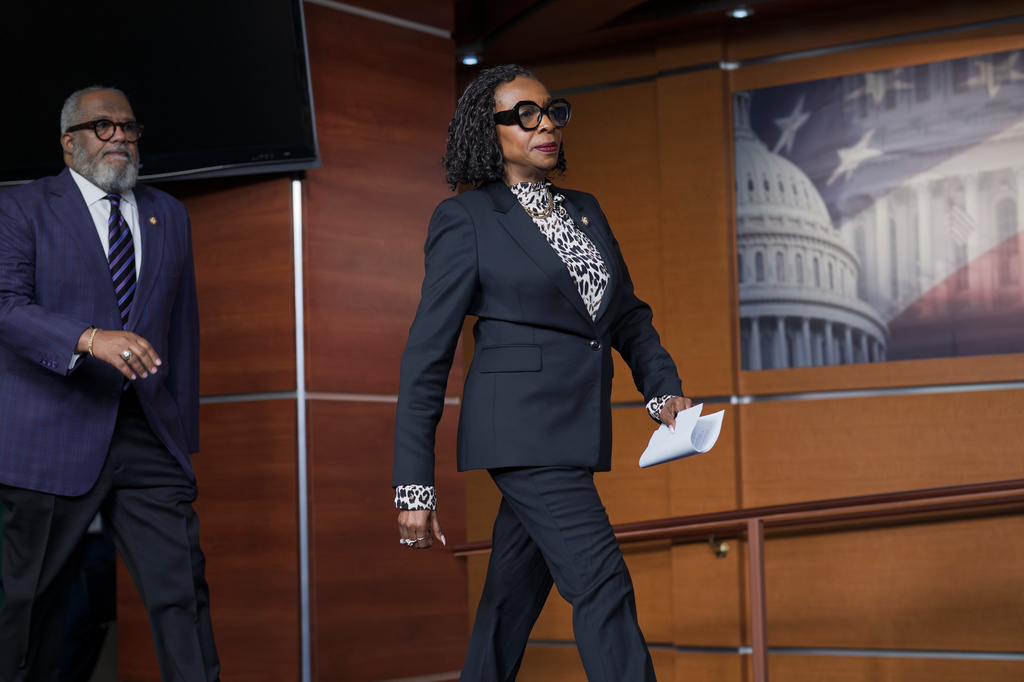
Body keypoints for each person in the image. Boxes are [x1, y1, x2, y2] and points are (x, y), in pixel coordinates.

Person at [393, 64, 692, 682]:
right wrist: (412, 486)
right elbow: (427, 355)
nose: (545, 125)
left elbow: (626, 316)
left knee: (509, 601)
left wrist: (661, 387)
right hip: (522, 434)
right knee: (602, 580)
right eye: (524, 115)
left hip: (574, 430)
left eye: (552, 111)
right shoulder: (467, 219)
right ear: (488, 130)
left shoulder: (585, 209)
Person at [0, 86, 220, 682]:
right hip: (51, 435)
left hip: (147, 432)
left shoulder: (167, 212)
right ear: (69, 144)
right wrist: (89, 337)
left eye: (128, 126)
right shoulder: (21, 208)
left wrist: (180, 433)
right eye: (102, 126)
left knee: (183, 598)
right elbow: (4, 305)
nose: (120, 135)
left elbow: (182, 331)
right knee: (31, 610)